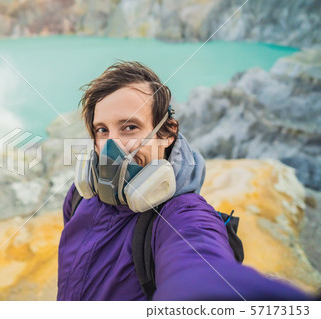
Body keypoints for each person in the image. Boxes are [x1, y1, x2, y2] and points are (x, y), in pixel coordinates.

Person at [56, 61, 313, 301]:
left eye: (130, 127)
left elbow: (202, 273)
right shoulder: (80, 197)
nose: (113, 146)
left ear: (167, 133)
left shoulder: (182, 215)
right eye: (102, 130)